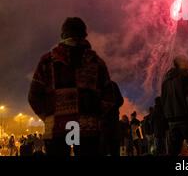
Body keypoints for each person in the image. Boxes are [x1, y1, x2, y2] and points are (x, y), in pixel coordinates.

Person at [28, 17, 115, 156]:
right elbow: (109, 98)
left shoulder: (47, 61)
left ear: (63, 35)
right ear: (85, 35)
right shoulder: (97, 63)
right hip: (88, 129)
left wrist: (48, 117)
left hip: (57, 128)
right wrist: (95, 115)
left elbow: (33, 96)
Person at [161, 54, 188, 156]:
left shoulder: (165, 80)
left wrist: (167, 118)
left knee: (173, 151)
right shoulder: (186, 76)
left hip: (172, 121)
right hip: (186, 118)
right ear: (181, 63)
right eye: (186, 61)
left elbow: (163, 100)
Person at [100, 80, 124, 156]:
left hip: (103, 124)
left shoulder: (95, 85)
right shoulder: (113, 84)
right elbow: (120, 100)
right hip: (112, 123)